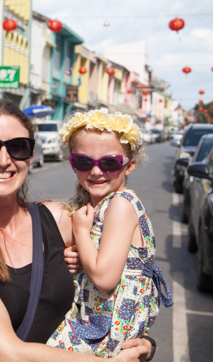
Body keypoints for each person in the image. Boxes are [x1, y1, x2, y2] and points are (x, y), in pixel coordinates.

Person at [0, 100, 152, 362]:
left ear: (30, 156)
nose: (3, 160)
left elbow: (126, 278)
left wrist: (142, 342)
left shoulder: (59, 219)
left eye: (17, 147)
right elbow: (7, 354)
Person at [47, 108, 172, 357]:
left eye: (109, 163)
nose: (95, 171)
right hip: (101, 326)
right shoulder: (104, 204)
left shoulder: (120, 205)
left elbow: (105, 278)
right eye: (83, 161)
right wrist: (82, 257)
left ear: (129, 165)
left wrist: (81, 233)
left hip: (106, 334)